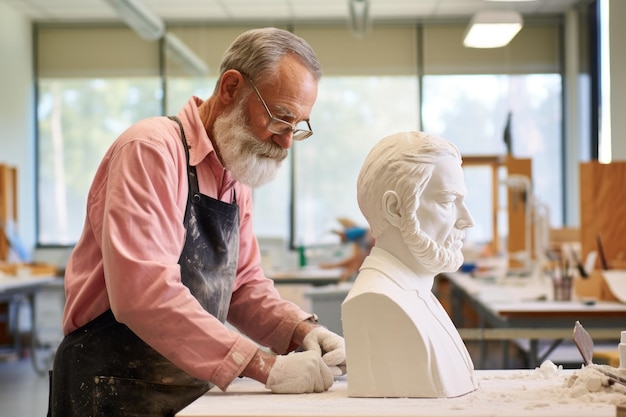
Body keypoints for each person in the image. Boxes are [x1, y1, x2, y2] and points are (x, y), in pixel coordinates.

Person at [48, 27, 346, 417]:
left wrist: (301, 331)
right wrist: (263, 365)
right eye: (280, 119)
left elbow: (242, 286)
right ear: (231, 88)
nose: (286, 141)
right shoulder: (151, 151)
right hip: (111, 385)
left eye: (298, 127)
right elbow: (144, 294)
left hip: (184, 386)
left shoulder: (236, 174)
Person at [341, 131, 477, 398]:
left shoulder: (416, 292)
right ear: (395, 209)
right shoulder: (378, 300)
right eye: (448, 201)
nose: (467, 220)